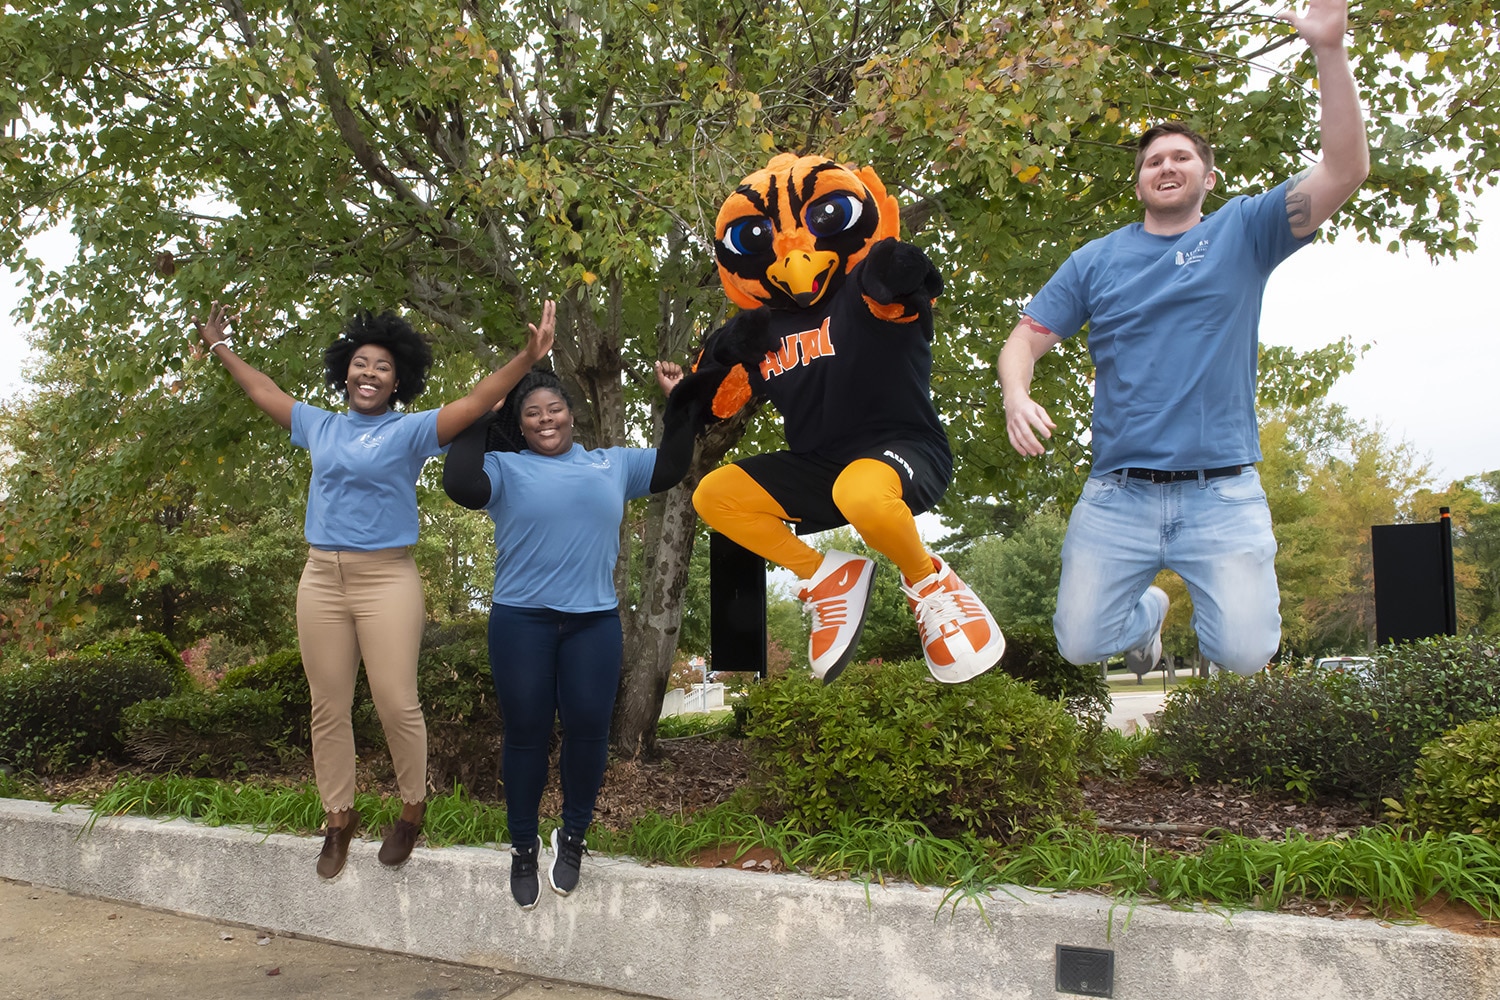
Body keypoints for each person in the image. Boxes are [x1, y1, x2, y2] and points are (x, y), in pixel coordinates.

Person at [997, 0, 1369, 677]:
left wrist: (1329, 51)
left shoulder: (1245, 231)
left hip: (1221, 492)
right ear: (1139, 181)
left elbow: (1344, 171)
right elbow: (1023, 339)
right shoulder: (1095, 261)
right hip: (1118, 491)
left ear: (1208, 176)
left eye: (1181, 158)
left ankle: (1197, 616)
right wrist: (1016, 396)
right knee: (1080, 643)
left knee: (1245, 655)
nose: (1165, 167)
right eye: (1153, 161)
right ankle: (1146, 615)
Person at [194, 299, 555, 878]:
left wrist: (526, 357)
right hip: (321, 578)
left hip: (386, 577)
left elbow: (474, 402)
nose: (369, 373)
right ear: (345, 372)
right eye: (360, 363)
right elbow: (263, 390)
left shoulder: (409, 431)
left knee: (395, 701)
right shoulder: (321, 425)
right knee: (328, 706)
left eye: (382, 367)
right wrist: (218, 346)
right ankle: (338, 818)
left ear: (397, 380)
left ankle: (412, 810)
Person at [678, 153, 1004, 686]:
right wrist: (695, 389)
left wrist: (894, 275)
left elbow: (902, 289)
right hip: (819, 464)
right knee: (714, 495)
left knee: (861, 494)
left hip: (904, 448)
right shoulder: (763, 329)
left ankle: (930, 583)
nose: (793, 253)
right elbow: (720, 397)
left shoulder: (862, 289)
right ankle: (828, 578)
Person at [442, 362, 691, 909]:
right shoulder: (504, 468)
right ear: (521, 424)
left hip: (593, 623)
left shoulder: (612, 464)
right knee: (526, 732)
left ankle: (573, 835)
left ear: (572, 416)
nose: (545, 419)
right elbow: (459, 482)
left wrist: (679, 403)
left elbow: (673, 463)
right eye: (532, 413)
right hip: (521, 620)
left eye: (554, 409)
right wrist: (483, 413)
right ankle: (523, 845)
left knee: (587, 731)